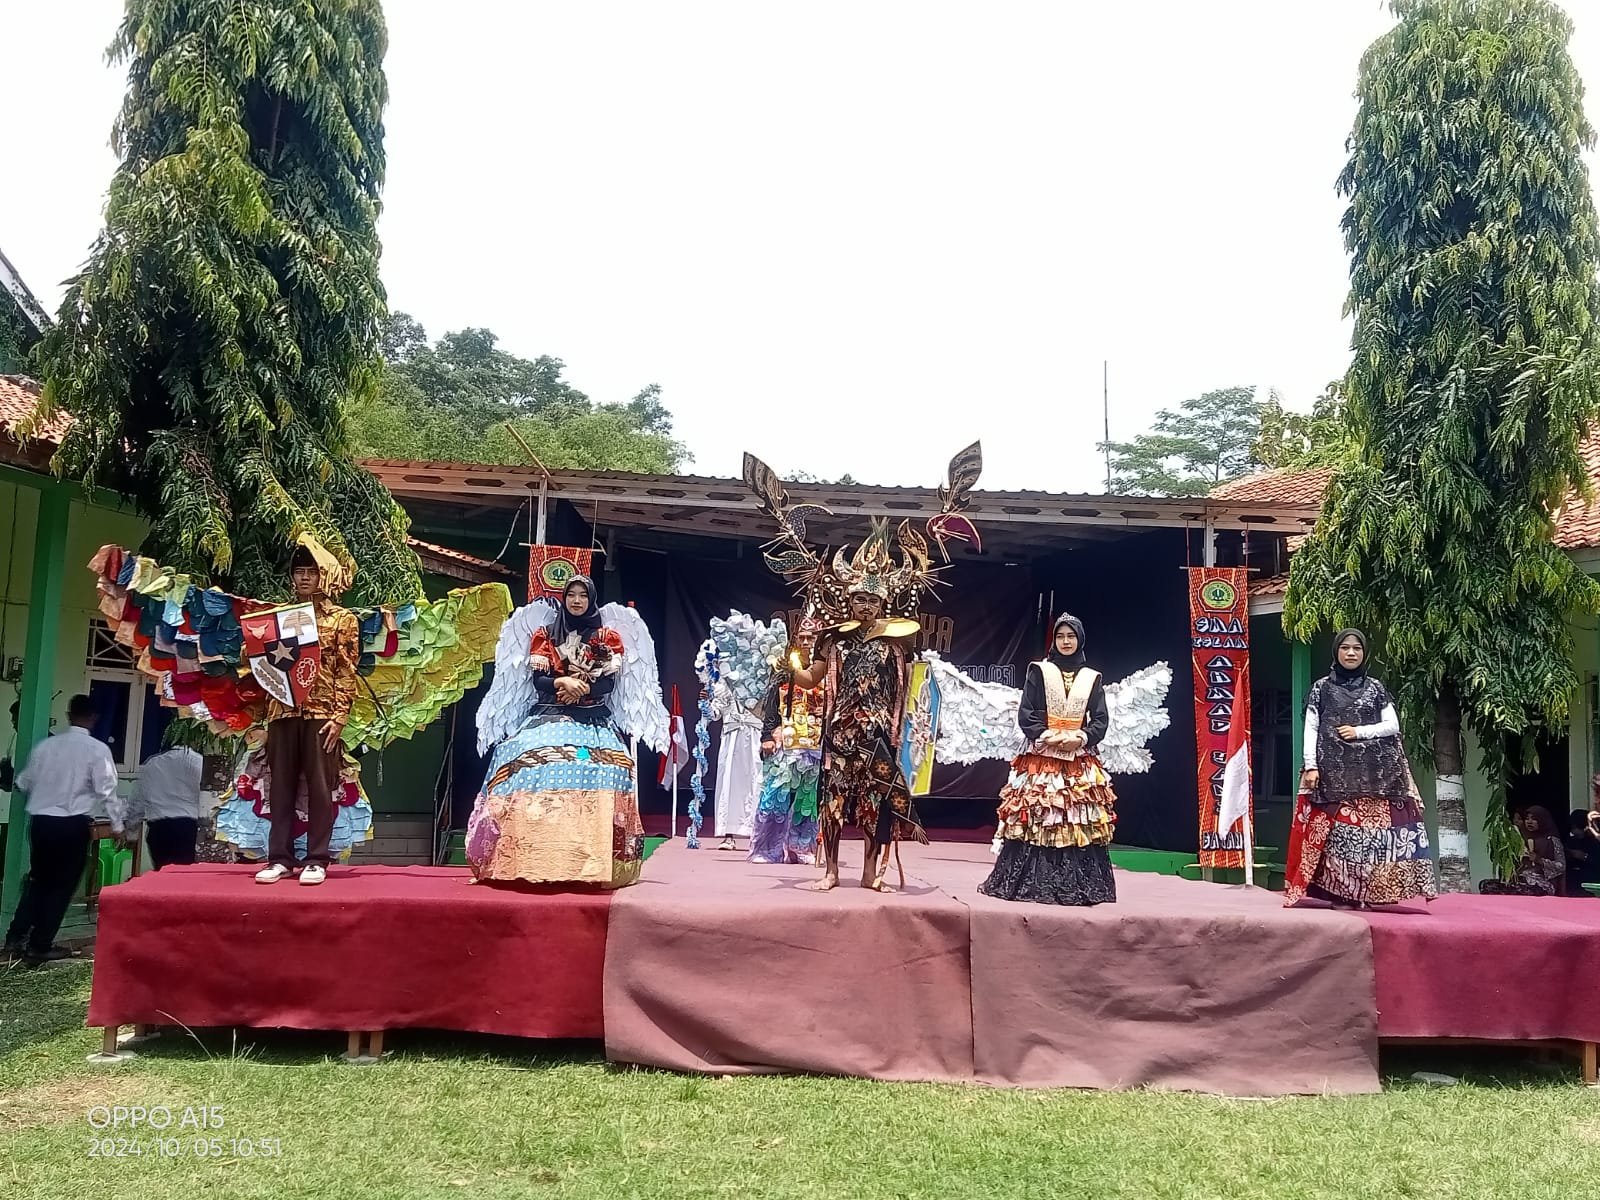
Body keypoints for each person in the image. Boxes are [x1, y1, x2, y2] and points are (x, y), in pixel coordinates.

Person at [466, 576, 646, 888]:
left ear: (591, 599)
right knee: (521, 761)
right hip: (548, 713)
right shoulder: (545, 634)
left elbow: (608, 683)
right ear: (564, 599)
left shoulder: (607, 637)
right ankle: (528, 859)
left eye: (582, 595)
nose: (576, 601)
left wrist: (582, 688)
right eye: (571, 595)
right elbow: (539, 680)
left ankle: (592, 865)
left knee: (612, 768)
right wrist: (562, 682)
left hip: (593, 718)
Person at [1285, 629, 1437, 908]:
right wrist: (1311, 765)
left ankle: (1370, 895)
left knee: (1371, 839)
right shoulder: (1321, 689)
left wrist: (1359, 732)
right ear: (1336, 652)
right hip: (1333, 775)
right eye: (1345, 648)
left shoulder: (1376, 688)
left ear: (1364, 653)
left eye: (1357, 648)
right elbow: (1312, 728)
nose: (1351, 653)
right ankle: (1341, 895)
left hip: (1377, 776)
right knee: (1338, 839)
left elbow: (1392, 726)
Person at [791, 579, 926, 893]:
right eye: (861, 599)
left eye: (873, 601)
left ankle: (869, 874)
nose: (867, 607)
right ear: (849, 602)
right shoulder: (834, 640)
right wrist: (789, 666)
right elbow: (811, 679)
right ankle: (831, 872)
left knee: (874, 805)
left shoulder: (897, 643)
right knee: (832, 804)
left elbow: (912, 686)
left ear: (882, 604)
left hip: (877, 736)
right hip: (840, 733)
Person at [979, 613, 1118, 906]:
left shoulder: (1091, 678)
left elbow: (1101, 719)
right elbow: (1026, 712)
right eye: (1060, 636)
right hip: (1042, 758)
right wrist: (1045, 735)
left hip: (1077, 760)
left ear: (1080, 639)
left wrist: (1082, 737)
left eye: (1071, 636)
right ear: (1054, 640)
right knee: (1040, 815)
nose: (1066, 642)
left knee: (1074, 819)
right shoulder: (1039, 671)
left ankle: (1076, 885)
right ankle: (1033, 882)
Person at [254, 537, 360, 887]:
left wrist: (341, 715)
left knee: (320, 787)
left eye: (311, 572)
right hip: (282, 710)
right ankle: (279, 859)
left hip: (322, 712)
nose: (303, 578)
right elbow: (261, 662)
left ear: (323, 576)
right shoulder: (277, 617)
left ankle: (317, 858)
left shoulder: (341, 619)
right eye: (298, 572)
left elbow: (347, 669)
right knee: (280, 788)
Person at [4, 694, 116, 964]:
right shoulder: (97, 750)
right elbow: (107, 790)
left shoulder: (46, 746)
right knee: (61, 887)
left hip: (42, 824)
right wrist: (118, 823)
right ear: (94, 717)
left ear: (68, 715)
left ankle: (14, 939)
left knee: (38, 882)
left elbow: (24, 783)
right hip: (72, 825)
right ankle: (40, 945)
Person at [747, 625, 823, 866]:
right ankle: (767, 849)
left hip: (815, 744)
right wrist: (767, 736)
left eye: (812, 637)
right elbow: (771, 705)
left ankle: (801, 847)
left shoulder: (827, 670)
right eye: (802, 637)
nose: (807, 642)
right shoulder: (783, 669)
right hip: (785, 742)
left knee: (808, 802)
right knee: (775, 798)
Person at [125, 743, 205, 869]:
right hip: (190, 829)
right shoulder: (199, 762)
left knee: (163, 874)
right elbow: (208, 798)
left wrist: (131, 834)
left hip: (159, 830)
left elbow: (137, 802)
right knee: (187, 875)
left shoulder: (152, 764)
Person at [1480, 806, 1567, 896]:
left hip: (1541, 884)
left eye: (1534, 819)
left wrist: (1539, 860)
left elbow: (1561, 867)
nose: (1529, 821)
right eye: (1527, 818)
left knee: (1523, 890)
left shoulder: (1552, 840)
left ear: (1542, 820)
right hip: (1521, 880)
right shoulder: (1520, 840)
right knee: (1485, 885)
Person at [1565, 806, 1600, 897]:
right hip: (1572, 882)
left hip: (1591, 882)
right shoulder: (1570, 841)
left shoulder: (1595, 841)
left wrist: (1585, 857)